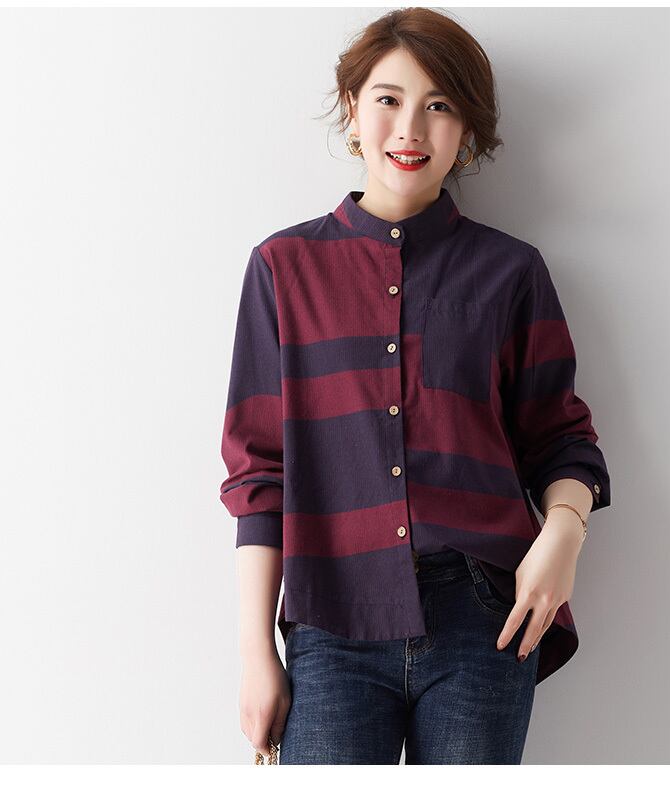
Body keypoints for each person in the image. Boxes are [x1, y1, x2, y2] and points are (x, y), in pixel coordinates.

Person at [220, 8, 611, 765]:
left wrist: (564, 536)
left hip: (486, 614)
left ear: (467, 130)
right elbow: (260, 475)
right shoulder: (282, 270)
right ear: (352, 109)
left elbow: (561, 437)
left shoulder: (512, 272)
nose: (410, 128)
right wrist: (255, 652)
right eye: (389, 99)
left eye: (439, 105)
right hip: (332, 615)